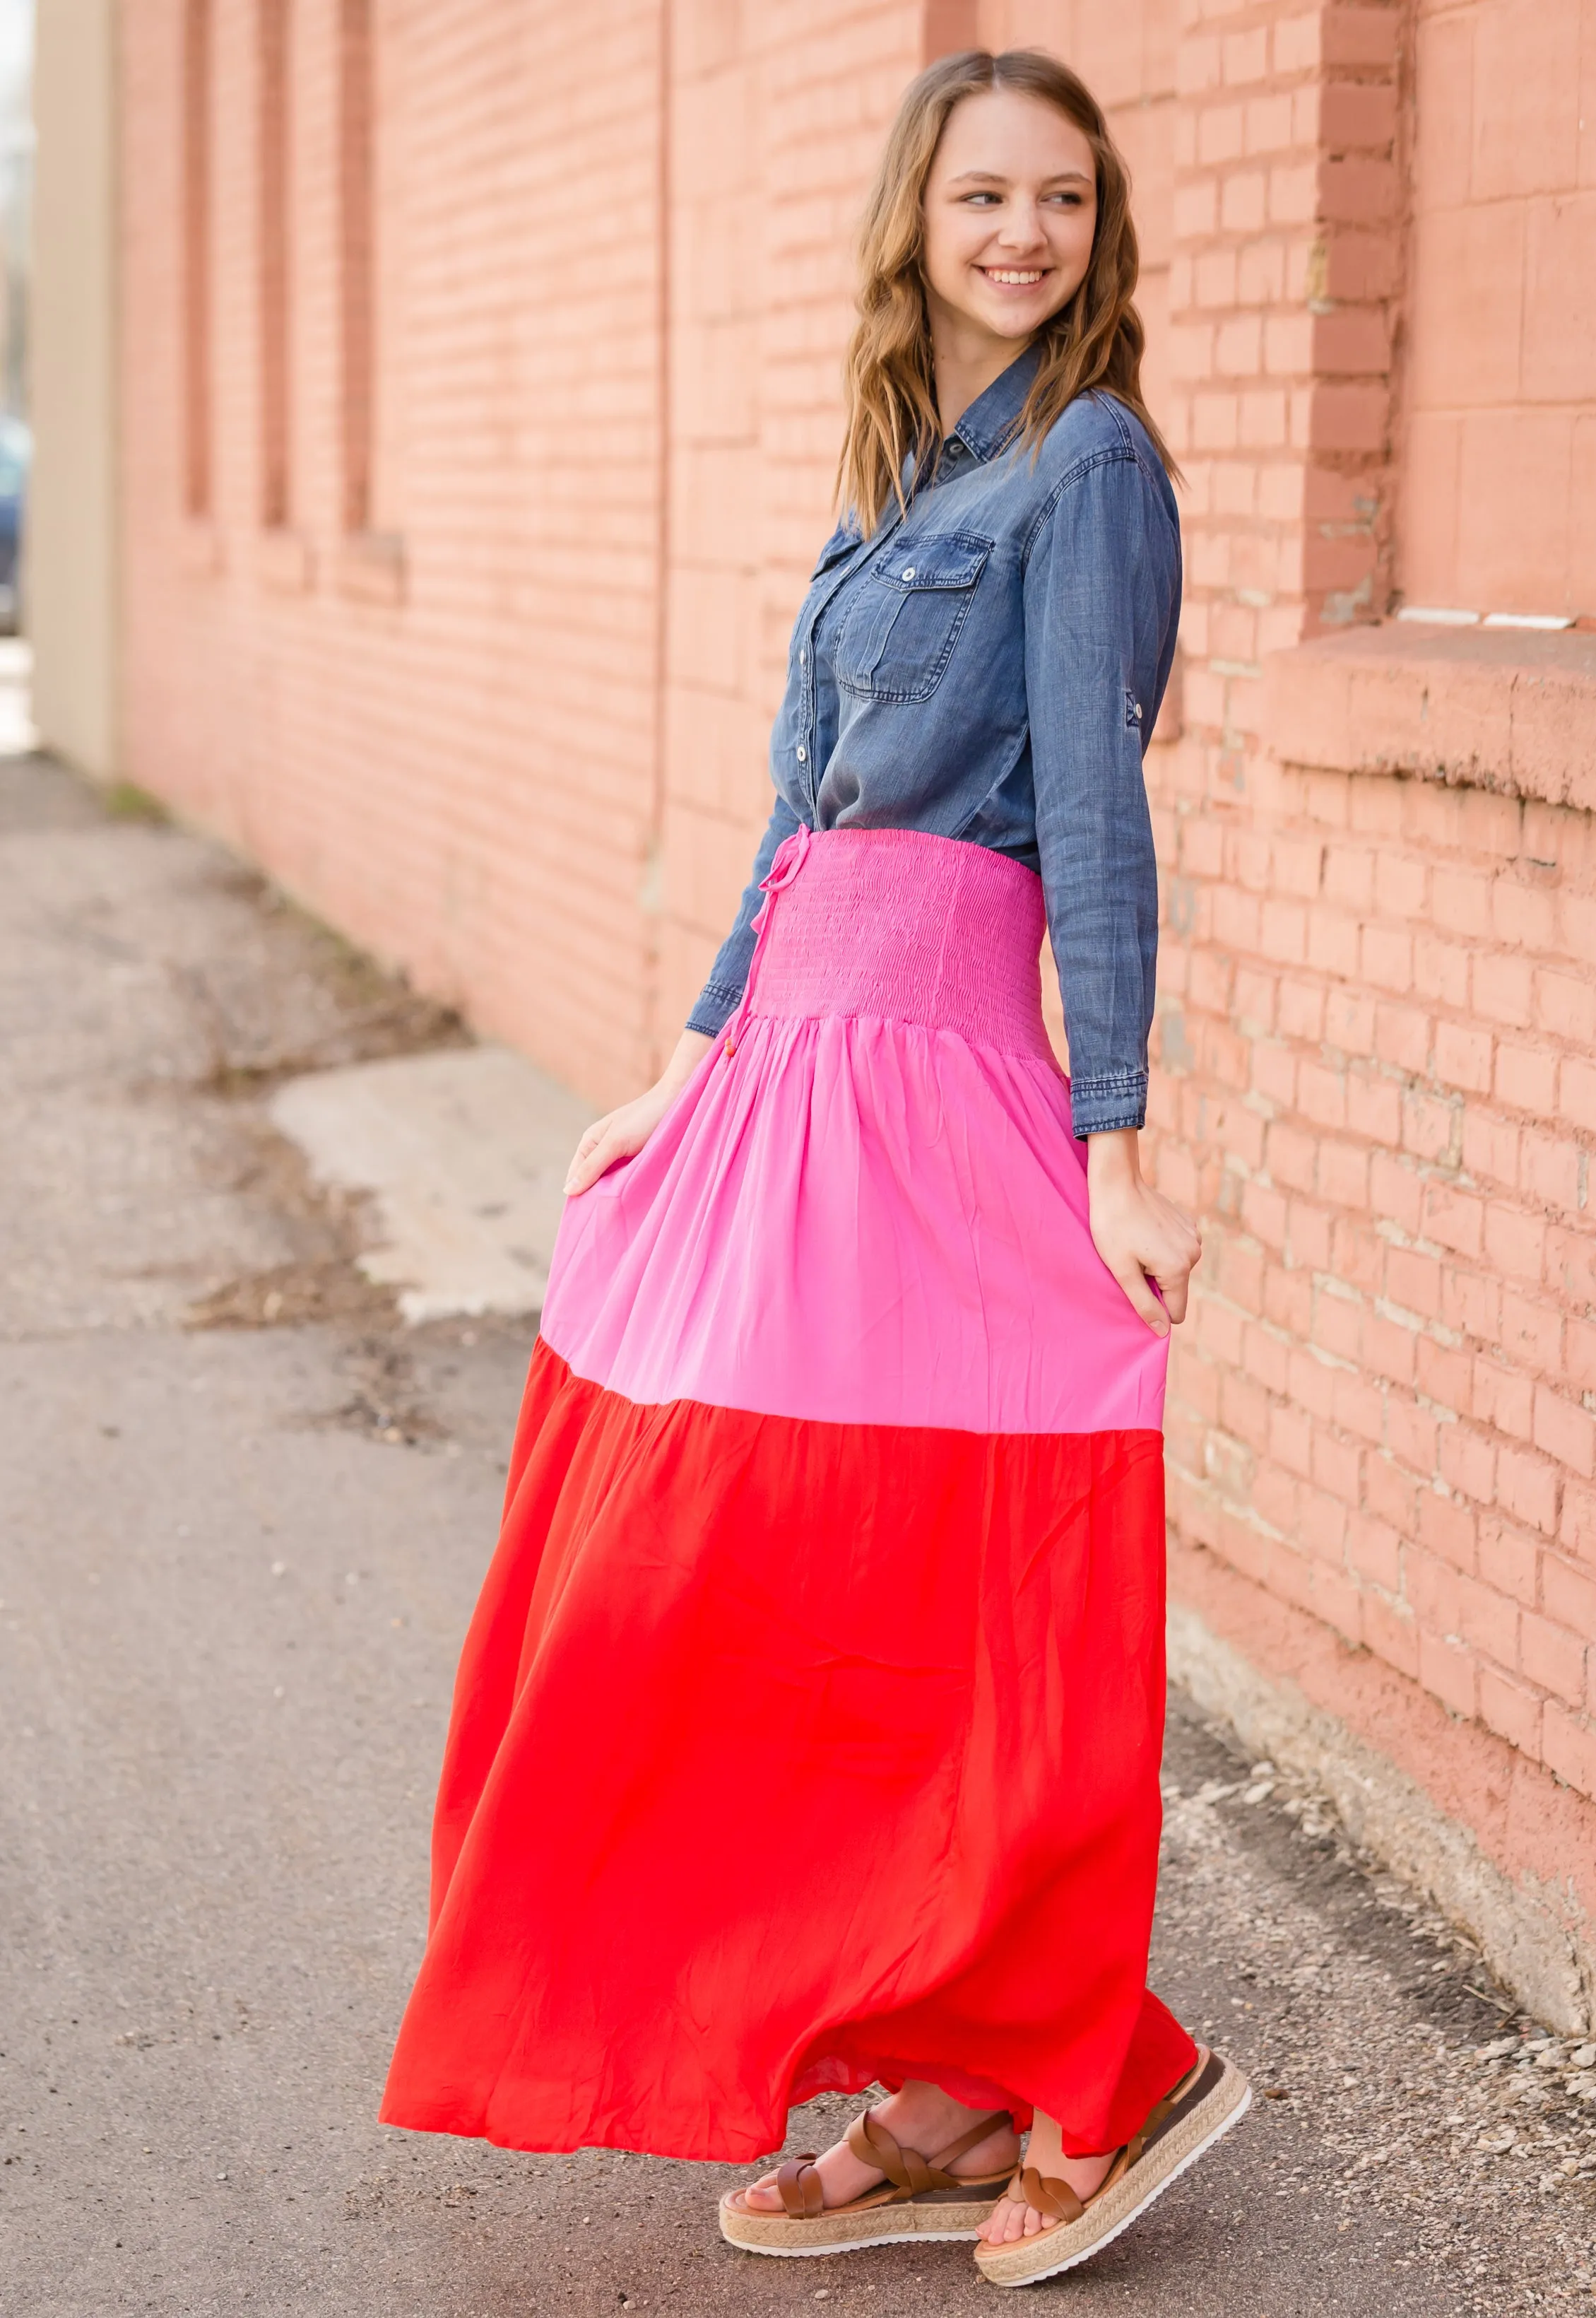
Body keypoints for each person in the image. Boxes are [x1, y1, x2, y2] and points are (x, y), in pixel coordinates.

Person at [379, 45, 1249, 2290]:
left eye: (1061, 200)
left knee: (922, 1591)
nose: (1023, 235)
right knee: (720, 1595)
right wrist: (682, 1062)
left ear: (1096, 230)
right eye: (984, 196)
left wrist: (1115, 1147)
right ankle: (940, 2080)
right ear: (916, 217)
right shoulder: (890, 478)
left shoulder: (1087, 469)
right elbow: (799, 822)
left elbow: (1095, 821)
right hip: (786, 1078)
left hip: (935, 1076)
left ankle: (1078, 2063)